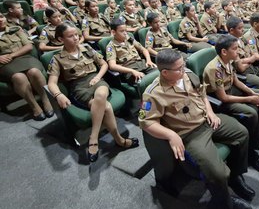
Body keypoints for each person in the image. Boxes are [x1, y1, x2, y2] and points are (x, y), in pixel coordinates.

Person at [139, 49, 254, 209]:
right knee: (217, 172)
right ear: (165, 72)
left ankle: (235, 177)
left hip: (207, 120)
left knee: (242, 133)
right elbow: (146, 122)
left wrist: (210, 112)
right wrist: (171, 135)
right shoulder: (153, 93)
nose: (183, 68)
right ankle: (223, 202)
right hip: (190, 133)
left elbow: (202, 95)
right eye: (179, 68)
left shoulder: (188, 74)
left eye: (183, 64)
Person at [47, 22, 139, 163]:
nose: (76, 38)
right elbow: (51, 83)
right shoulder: (58, 58)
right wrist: (58, 95)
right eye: (70, 36)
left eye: (76, 35)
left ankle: (93, 138)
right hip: (78, 87)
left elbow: (104, 64)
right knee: (106, 107)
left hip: (96, 81)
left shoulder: (87, 48)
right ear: (61, 39)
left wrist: (97, 77)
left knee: (101, 95)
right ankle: (119, 140)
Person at [203, 35, 259, 176]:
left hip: (230, 90)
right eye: (235, 49)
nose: (238, 51)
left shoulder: (229, 60)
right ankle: (253, 154)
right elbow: (223, 97)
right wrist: (249, 99)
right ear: (224, 51)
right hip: (220, 100)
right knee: (250, 113)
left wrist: (252, 93)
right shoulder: (214, 68)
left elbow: (236, 81)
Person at [0, 12, 53, 121]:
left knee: (34, 72)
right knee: (19, 77)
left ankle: (46, 100)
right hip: (5, 63)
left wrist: (12, 55)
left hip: (24, 57)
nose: (1, 20)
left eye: (1, 17)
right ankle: (34, 105)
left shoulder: (15, 29)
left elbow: (29, 46)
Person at [106, 18, 157, 85]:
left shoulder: (129, 38)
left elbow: (143, 49)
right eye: (122, 31)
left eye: (126, 30)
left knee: (159, 74)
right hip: (129, 69)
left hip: (142, 63)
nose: (125, 33)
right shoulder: (111, 46)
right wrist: (132, 71)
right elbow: (112, 66)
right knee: (145, 81)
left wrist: (149, 60)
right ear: (113, 32)